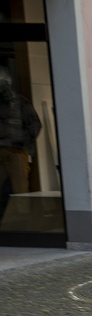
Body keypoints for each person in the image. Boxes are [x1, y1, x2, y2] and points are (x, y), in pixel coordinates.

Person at [0, 67, 43, 214]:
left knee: (20, 189)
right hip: (7, 150)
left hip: (16, 150)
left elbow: (35, 125)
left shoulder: (21, 103)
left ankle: (24, 219)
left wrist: (25, 146)